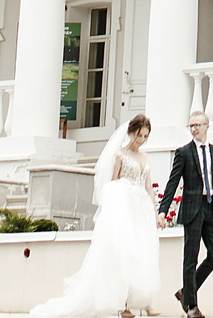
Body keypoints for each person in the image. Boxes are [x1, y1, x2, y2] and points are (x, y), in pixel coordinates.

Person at [28, 113, 167, 318]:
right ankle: (125, 305)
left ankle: (146, 303)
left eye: (145, 136)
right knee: (125, 253)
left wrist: (156, 213)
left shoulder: (145, 157)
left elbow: (148, 186)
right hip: (125, 208)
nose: (142, 140)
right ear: (131, 133)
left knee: (143, 253)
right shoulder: (120, 155)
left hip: (142, 210)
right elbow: (112, 183)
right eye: (139, 135)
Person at [154, 109, 213, 318]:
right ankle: (192, 307)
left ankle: (186, 292)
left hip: (211, 209)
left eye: (197, 125)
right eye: (191, 126)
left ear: (206, 127)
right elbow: (173, 182)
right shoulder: (184, 152)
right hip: (193, 210)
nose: (194, 129)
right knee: (190, 258)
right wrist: (163, 210)